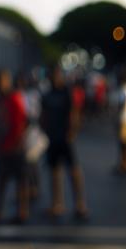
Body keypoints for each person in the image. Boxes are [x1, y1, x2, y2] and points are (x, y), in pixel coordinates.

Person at [39, 67, 89, 221]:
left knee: (73, 170)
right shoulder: (47, 94)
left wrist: (72, 132)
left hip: (65, 138)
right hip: (52, 138)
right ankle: (57, 204)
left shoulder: (67, 93)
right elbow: (43, 114)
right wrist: (44, 131)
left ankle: (80, 204)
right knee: (54, 172)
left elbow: (75, 112)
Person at [0, 70, 29, 223]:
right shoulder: (2, 99)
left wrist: (16, 143)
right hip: (4, 145)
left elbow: (20, 123)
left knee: (20, 180)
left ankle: (22, 212)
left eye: (1, 81)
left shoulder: (14, 98)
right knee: (2, 179)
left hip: (14, 146)